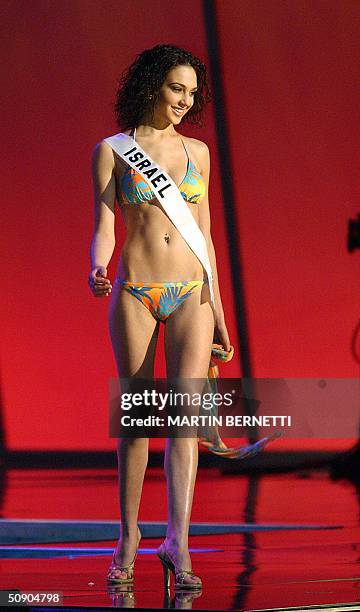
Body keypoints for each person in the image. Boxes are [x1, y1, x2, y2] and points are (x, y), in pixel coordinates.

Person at [88, 44, 231, 590]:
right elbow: (104, 225)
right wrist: (97, 266)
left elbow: (206, 235)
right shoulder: (114, 151)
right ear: (151, 85)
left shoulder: (199, 151)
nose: (184, 101)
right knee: (139, 420)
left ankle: (179, 542)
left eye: (192, 93)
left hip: (192, 289)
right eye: (177, 88)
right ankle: (128, 534)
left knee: (184, 422)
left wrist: (218, 309)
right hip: (137, 291)